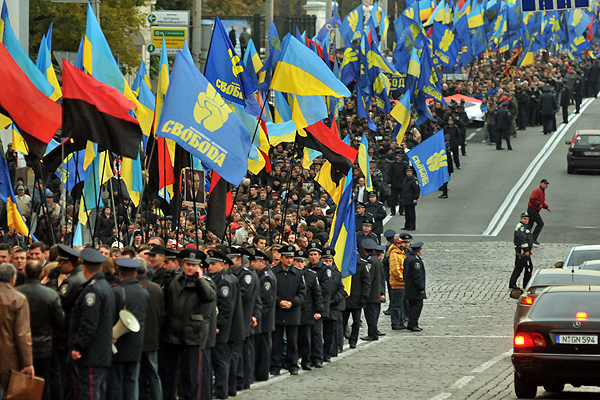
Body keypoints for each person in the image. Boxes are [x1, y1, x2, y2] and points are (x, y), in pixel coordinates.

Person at [160, 248, 216, 400]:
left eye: (194, 264)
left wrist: (199, 280)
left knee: (191, 376)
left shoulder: (205, 283)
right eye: (187, 264)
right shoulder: (174, 281)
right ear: (182, 265)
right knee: (169, 374)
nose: (190, 267)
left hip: (192, 335)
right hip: (172, 334)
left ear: (199, 266)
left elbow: (210, 297)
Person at [69, 247, 115, 400]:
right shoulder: (104, 286)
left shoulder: (93, 291)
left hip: (91, 353)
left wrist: (78, 346)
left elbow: (89, 323)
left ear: (84, 268)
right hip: (100, 352)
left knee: (88, 393)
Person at [17, 261, 64, 400]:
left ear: (25, 273)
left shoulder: (17, 293)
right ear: (41, 273)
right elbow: (60, 319)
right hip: (44, 346)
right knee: (44, 384)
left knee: (19, 385)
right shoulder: (51, 294)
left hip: (21, 346)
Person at [111, 257, 149, 400]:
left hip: (118, 341)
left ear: (119, 272)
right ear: (135, 273)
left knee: (116, 381)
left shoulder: (115, 291)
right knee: (131, 380)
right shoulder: (143, 292)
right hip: (136, 342)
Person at [225, 246, 261, 392]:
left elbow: (244, 296)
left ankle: (243, 380)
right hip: (236, 318)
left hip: (243, 317)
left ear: (239, 260)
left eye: (231, 259)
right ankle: (241, 379)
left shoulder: (246, 275)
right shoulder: (233, 275)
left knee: (241, 352)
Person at [207, 249, 240, 399]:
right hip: (227, 327)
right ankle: (229, 388)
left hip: (223, 328)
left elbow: (225, 307)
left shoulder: (224, 281)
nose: (210, 266)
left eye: (213, 264)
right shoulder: (224, 278)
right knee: (226, 359)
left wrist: (218, 325)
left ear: (222, 264)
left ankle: (221, 389)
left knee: (220, 359)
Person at [270, 245, 307, 376]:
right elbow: (269, 292)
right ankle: (276, 364)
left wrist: (293, 302)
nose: (289, 260)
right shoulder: (273, 272)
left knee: (292, 340)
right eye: (287, 257)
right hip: (278, 310)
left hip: (292, 310)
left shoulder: (298, 273)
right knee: (277, 340)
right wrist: (279, 301)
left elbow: (302, 292)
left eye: (291, 257)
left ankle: (292, 364)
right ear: (281, 258)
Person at [0, 263, 34, 399]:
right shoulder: (18, 299)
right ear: (13, 279)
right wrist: (28, 363)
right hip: (8, 358)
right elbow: (22, 334)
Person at [135, 257, 164, 400]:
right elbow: (162, 313)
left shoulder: (129, 288)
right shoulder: (156, 288)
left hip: (133, 338)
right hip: (152, 337)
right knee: (154, 374)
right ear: (146, 271)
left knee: (134, 374)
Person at [295, 249, 322, 371]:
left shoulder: (311, 275)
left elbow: (317, 294)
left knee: (306, 338)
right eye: (297, 261)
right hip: (293, 311)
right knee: (293, 338)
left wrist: (318, 310)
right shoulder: (292, 274)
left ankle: (306, 360)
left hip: (307, 311)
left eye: (301, 261)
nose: (299, 264)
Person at [252, 250, 277, 382]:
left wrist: (257, 315)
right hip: (263, 320)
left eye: (256, 261)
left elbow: (266, 301)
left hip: (264, 320)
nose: (253, 264)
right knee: (260, 347)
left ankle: (262, 373)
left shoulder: (266, 277)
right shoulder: (261, 275)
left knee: (263, 348)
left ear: (263, 262)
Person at [342, 252, 371, 348]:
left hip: (357, 298)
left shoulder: (362, 265)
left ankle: (353, 340)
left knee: (356, 322)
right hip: (345, 298)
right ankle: (339, 341)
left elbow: (366, 282)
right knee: (342, 322)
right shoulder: (343, 263)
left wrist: (364, 296)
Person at [321, 247, 345, 361]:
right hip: (319, 307)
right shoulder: (317, 272)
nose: (328, 263)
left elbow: (341, 290)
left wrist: (334, 300)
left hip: (332, 307)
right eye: (325, 260)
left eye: (329, 261)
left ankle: (327, 353)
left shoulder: (336, 274)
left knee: (329, 333)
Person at [360, 239, 385, 341]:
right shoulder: (377, 260)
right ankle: (374, 332)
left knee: (370, 315)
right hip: (377, 292)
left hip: (371, 293)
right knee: (374, 313)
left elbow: (368, 278)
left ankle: (372, 333)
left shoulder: (370, 261)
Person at [388, 235, 411, 330]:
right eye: (399, 243)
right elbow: (395, 270)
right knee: (397, 305)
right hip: (397, 284)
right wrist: (403, 278)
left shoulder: (402, 253)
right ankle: (395, 322)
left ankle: (400, 322)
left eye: (402, 243)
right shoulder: (394, 254)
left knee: (401, 305)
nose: (401, 244)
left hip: (402, 284)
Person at [403, 241, 426, 332]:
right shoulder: (415, 260)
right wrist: (421, 288)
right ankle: (412, 324)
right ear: (419, 251)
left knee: (412, 306)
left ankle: (413, 323)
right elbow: (418, 275)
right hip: (414, 289)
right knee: (417, 306)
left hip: (409, 287)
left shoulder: (408, 258)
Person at [509, 213, 534, 290]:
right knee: (522, 266)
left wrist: (530, 249)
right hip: (522, 250)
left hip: (525, 250)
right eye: (524, 219)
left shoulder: (525, 227)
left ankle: (523, 284)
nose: (526, 220)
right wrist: (526, 250)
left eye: (527, 219)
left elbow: (528, 239)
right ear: (521, 219)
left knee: (525, 266)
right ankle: (516, 284)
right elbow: (522, 239)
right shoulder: (521, 227)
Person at [527, 179, 552, 245]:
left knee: (530, 225)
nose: (546, 186)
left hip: (533, 210)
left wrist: (546, 207)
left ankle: (526, 238)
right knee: (540, 223)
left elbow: (541, 202)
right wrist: (538, 205)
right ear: (541, 183)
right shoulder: (538, 191)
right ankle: (533, 238)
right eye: (545, 184)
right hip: (533, 210)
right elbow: (532, 199)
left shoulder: (542, 191)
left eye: (547, 184)